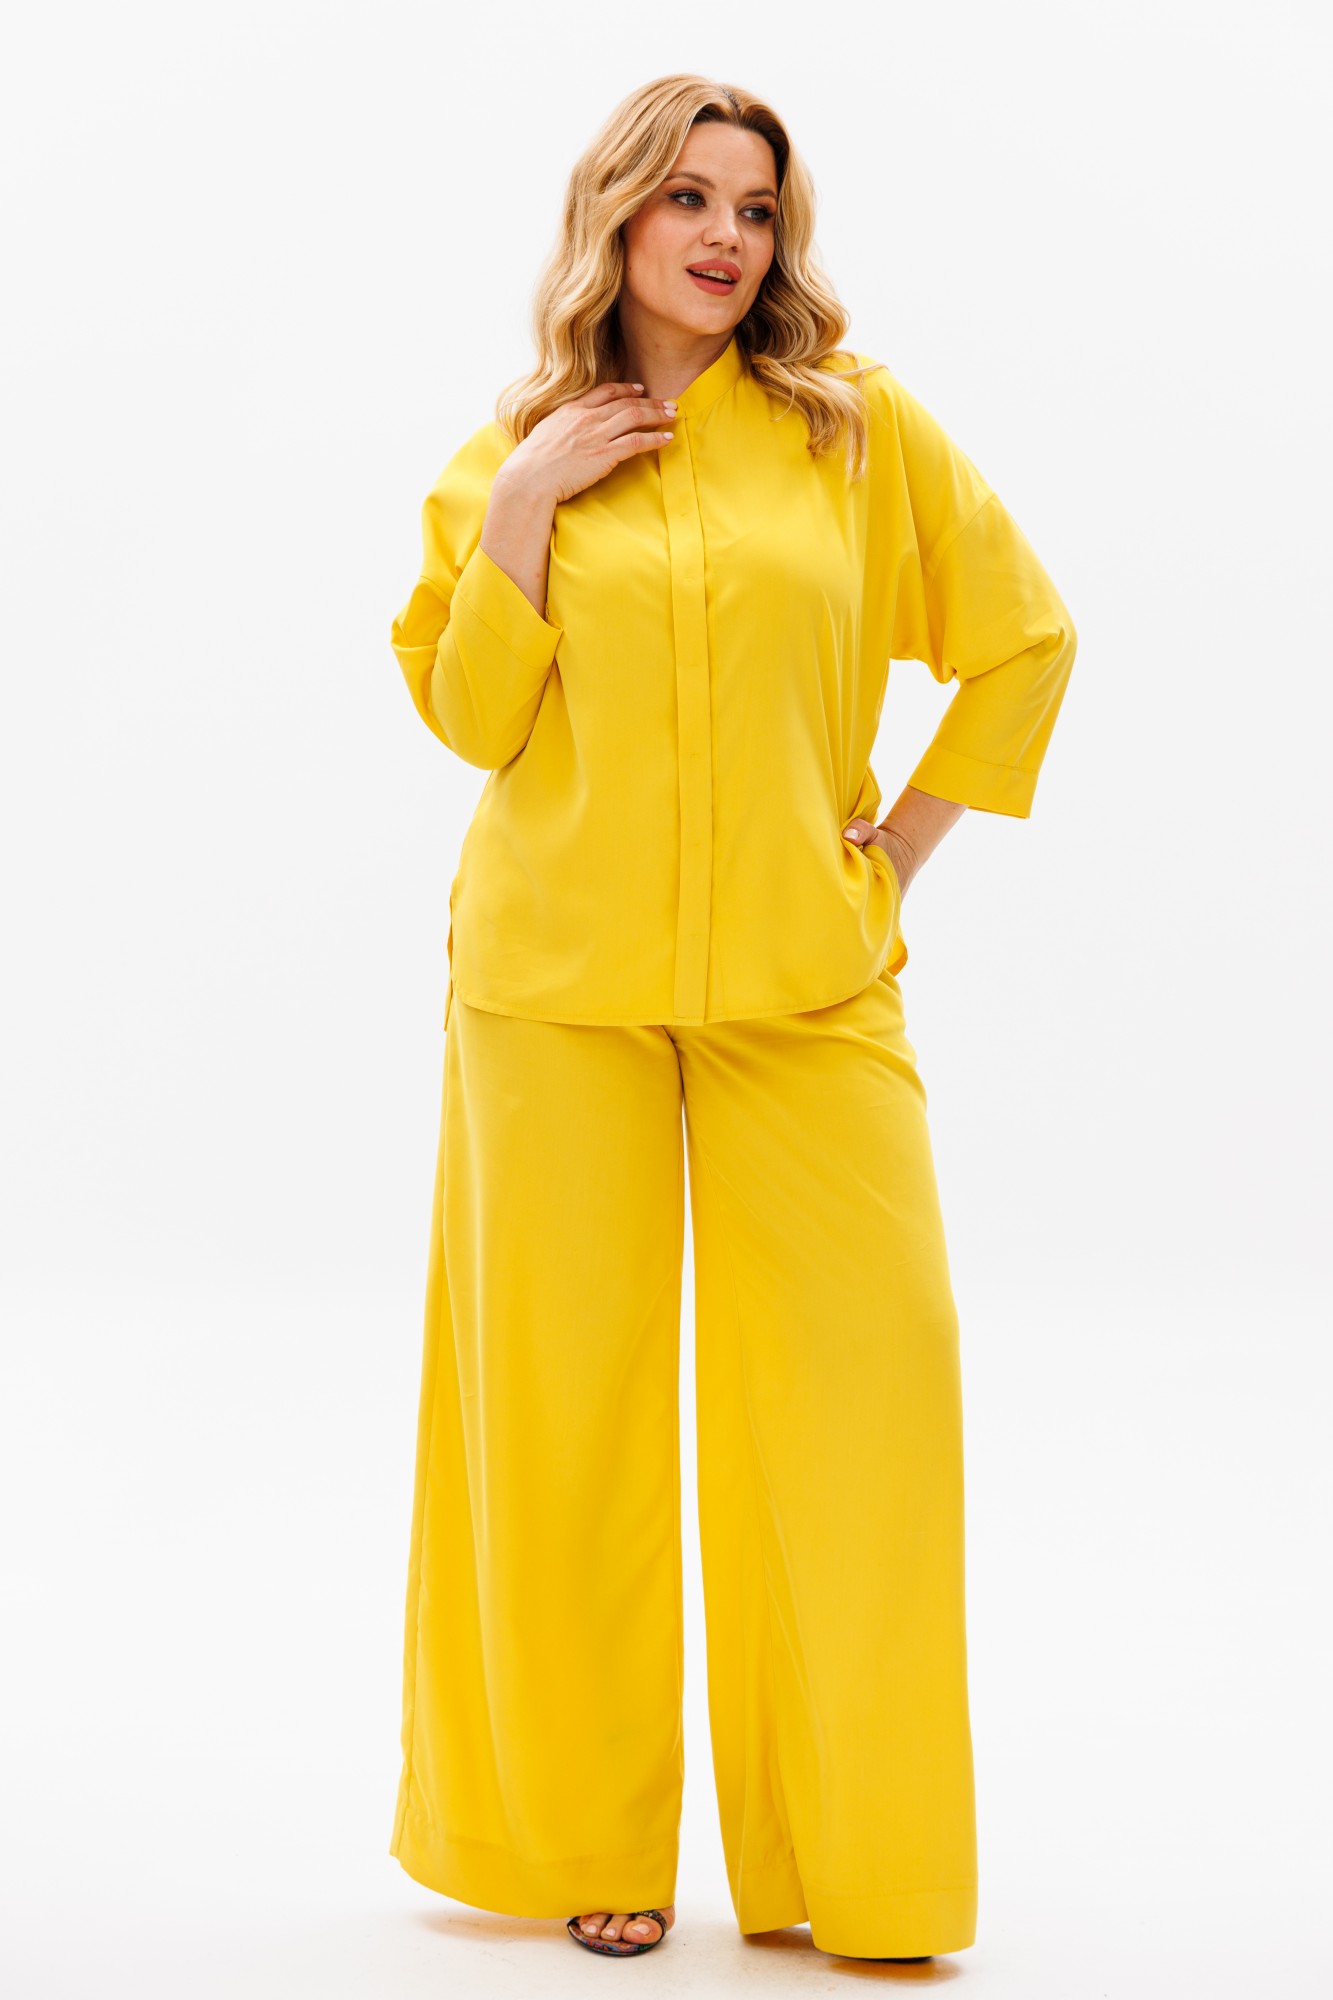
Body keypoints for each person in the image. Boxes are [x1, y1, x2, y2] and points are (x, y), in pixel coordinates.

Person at [386, 73, 1077, 1965]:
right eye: (687, 197)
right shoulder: (508, 450)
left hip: (805, 987)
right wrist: (526, 506)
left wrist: (894, 857)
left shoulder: (853, 429)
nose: (723, 236)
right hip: (555, 991)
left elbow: (1025, 638)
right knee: (561, 1416)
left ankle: (862, 1869)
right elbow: (468, 718)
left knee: (866, 1398)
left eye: (754, 208)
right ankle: (577, 1835)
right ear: (613, 213)